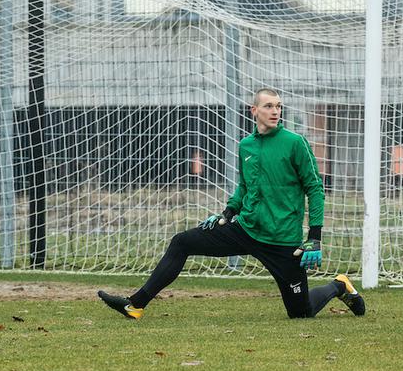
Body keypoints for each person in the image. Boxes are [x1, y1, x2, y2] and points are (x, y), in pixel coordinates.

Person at [97, 88, 365, 320]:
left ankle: (338, 286)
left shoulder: (295, 143)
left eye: (278, 106)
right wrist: (228, 212)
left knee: (301, 312)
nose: (275, 111)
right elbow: (246, 186)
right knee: (182, 242)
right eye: (269, 106)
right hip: (245, 229)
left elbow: (315, 189)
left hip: (282, 240)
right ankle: (136, 304)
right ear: (254, 110)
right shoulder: (246, 145)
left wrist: (314, 237)